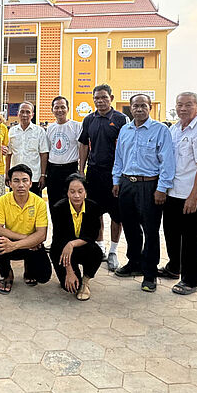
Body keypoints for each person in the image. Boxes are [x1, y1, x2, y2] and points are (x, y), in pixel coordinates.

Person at [111, 94, 175, 292]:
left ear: (149, 108)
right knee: (130, 227)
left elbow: (167, 162)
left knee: (150, 230)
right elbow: (119, 157)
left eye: (143, 106)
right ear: (130, 108)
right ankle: (134, 263)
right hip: (126, 184)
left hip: (149, 186)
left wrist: (161, 188)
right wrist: (116, 181)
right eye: (135, 106)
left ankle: (149, 273)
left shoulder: (160, 130)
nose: (139, 109)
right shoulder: (125, 130)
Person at [159, 92, 197, 295]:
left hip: (190, 195)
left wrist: (193, 197)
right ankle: (174, 268)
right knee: (171, 234)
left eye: (188, 105)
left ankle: (191, 280)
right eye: (179, 104)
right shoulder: (174, 130)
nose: (183, 108)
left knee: (191, 240)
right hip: (173, 191)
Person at [78, 84, 128, 271]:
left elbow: (127, 147)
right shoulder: (89, 119)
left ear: (111, 98)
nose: (100, 101)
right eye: (97, 98)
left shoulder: (121, 119)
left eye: (104, 97)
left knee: (117, 215)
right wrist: (81, 170)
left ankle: (114, 251)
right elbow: (83, 145)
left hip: (115, 175)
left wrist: (121, 175)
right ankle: (100, 248)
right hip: (94, 173)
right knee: (95, 212)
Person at [0, 164, 51, 294]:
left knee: (44, 277)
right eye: (16, 181)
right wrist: (24, 239)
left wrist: (15, 245)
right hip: (18, 242)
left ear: (30, 183)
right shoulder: (3, 200)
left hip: (32, 246)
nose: (21, 185)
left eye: (25, 180)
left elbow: (42, 235)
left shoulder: (39, 202)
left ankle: (29, 269)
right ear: (10, 183)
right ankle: (7, 275)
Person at [49, 173, 103, 301]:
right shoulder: (58, 208)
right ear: (67, 193)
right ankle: (74, 275)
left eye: (80, 191)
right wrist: (69, 271)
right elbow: (59, 239)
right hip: (61, 249)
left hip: (82, 246)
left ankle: (85, 281)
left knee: (96, 252)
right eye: (72, 191)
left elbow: (92, 235)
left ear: (86, 192)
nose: (76, 195)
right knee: (69, 287)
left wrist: (72, 244)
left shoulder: (93, 207)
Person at [46, 96, 82, 210]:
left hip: (70, 169)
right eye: (56, 107)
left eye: (63, 107)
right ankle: (57, 228)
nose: (59, 110)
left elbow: (82, 149)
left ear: (68, 109)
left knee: (71, 203)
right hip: (53, 171)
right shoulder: (50, 128)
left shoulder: (76, 126)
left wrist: (81, 169)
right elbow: (47, 150)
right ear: (52, 110)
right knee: (54, 203)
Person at [6, 102, 49, 196]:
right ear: (18, 113)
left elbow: (43, 154)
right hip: (15, 178)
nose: (24, 115)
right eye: (22, 112)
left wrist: (43, 175)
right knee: (14, 205)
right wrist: (7, 174)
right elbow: (9, 154)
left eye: (28, 112)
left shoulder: (39, 131)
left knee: (34, 206)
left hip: (34, 178)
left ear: (32, 114)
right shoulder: (11, 131)